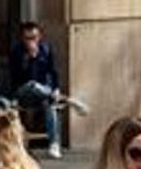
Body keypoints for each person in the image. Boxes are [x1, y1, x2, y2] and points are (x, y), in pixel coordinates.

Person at [8, 21, 89, 160]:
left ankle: (54, 144)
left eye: (34, 37)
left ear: (39, 37)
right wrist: (29, 60)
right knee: (33, 85)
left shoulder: (45, 49)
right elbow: (15, 78)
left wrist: (56, 88)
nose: (31, 41)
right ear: (23, 38)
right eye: (28, 38)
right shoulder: (17, 51)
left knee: (50, 103)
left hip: (43, 91)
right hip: (22, 92)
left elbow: (53, 71)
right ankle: (67, 100)